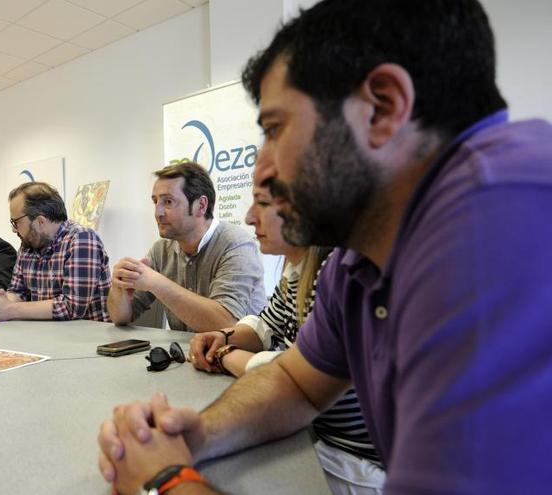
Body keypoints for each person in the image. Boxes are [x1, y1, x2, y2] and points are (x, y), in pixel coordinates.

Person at [97, 1, 552, 494]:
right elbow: (296, 383)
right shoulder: (358, 253)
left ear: (381, 107)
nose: (264, 168)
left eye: (273, 130)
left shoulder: (501, 221)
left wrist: (165, 480)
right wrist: (199, 434)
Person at [188, 181, 382, 494]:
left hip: (357, 462)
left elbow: (295, 374)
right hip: (323, 439)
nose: (250, 217)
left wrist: (224, 355)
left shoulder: (334, 274)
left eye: (262, 204)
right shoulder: (297, 272)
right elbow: (264, 326)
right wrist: (224, 337)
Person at [108, 161, 265, 332]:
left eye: (168, 202)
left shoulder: (237, 244)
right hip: (188, 355)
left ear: (201, 206)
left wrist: (156, 283)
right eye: (155, 202)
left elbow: (225, 324)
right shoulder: (161, 249)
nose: (157, 213)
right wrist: (119, 289)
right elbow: (121, 317)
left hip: (242, 355)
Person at [0, 182, 111, 322]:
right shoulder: (29, 244)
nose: (14, 229)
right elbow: (18, 292)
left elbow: (72, 307)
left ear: (40, 222)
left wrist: (9, 309)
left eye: (15, 222)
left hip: (87, 338)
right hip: (44, 335)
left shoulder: (82, 239)